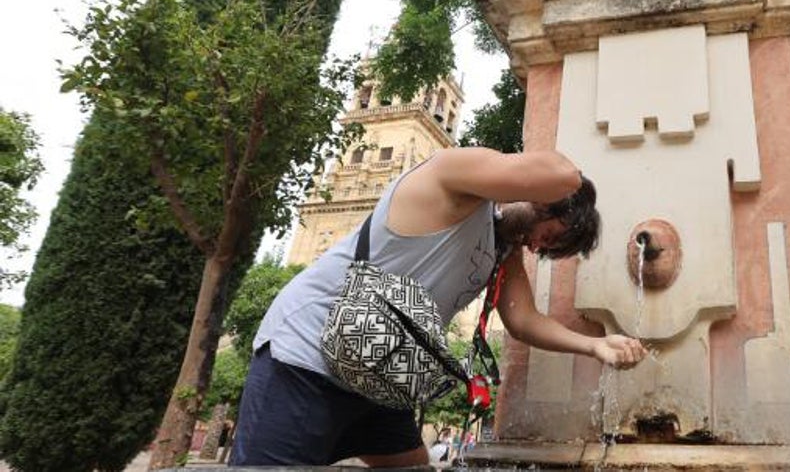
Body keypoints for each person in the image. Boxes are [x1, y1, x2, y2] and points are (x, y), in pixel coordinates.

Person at [229, 148, 646, 467]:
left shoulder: (502, 249)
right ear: (546, 201)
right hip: (309, 355)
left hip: (380, 373)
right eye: (549, 238)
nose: (537, 248)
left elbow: (522, 320)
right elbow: (562, 175)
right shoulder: (455, 178)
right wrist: (577, 186)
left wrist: (596, 347)